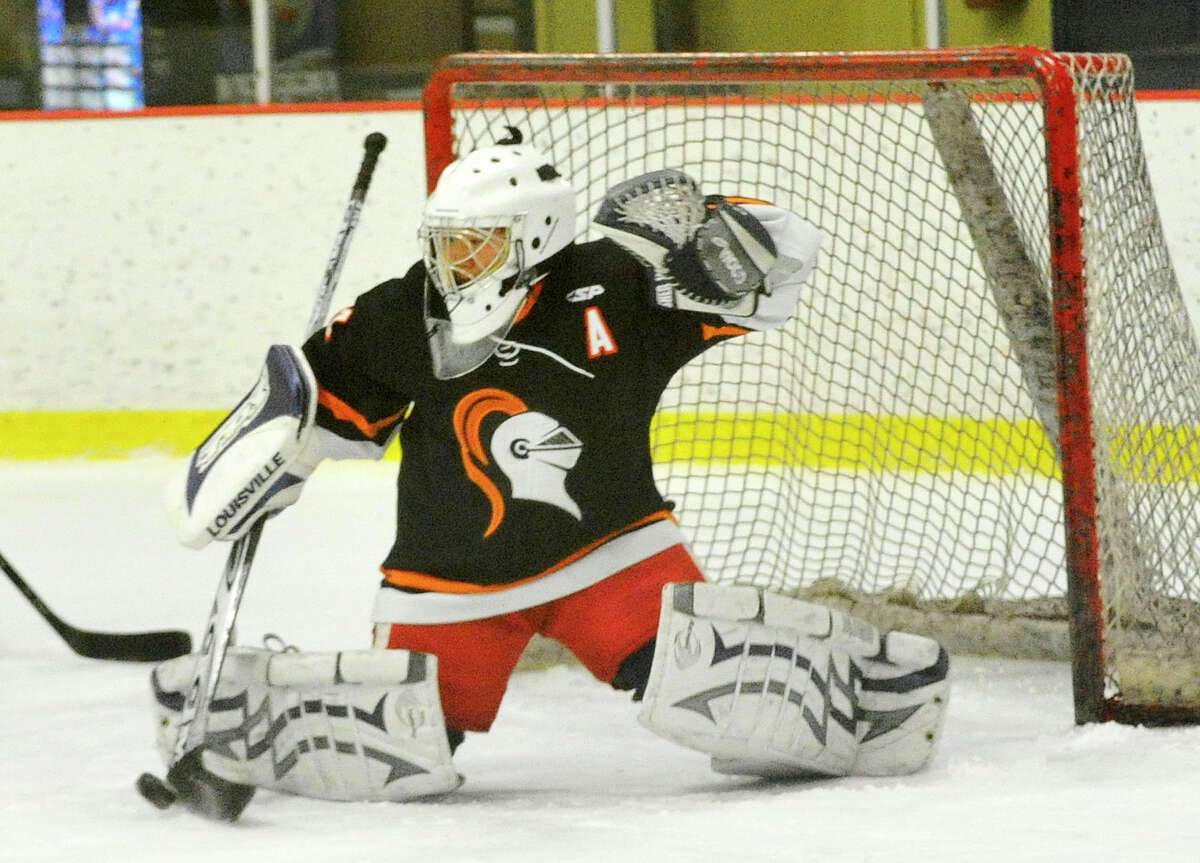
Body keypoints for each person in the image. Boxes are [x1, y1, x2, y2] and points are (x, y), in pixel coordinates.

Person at [154, 134, 950, 809]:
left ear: (535, 235)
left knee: (711, 684)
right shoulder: (403, 312)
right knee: (395, 734)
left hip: (612, 550)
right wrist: (276, 461)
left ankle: (873, 690)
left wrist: (739, 246)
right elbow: (313, 401)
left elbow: (780, 264)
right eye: (443, 240)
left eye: (477, 243)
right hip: (450, 580)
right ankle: (232, 711)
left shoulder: (622, 281)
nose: (453, 262)